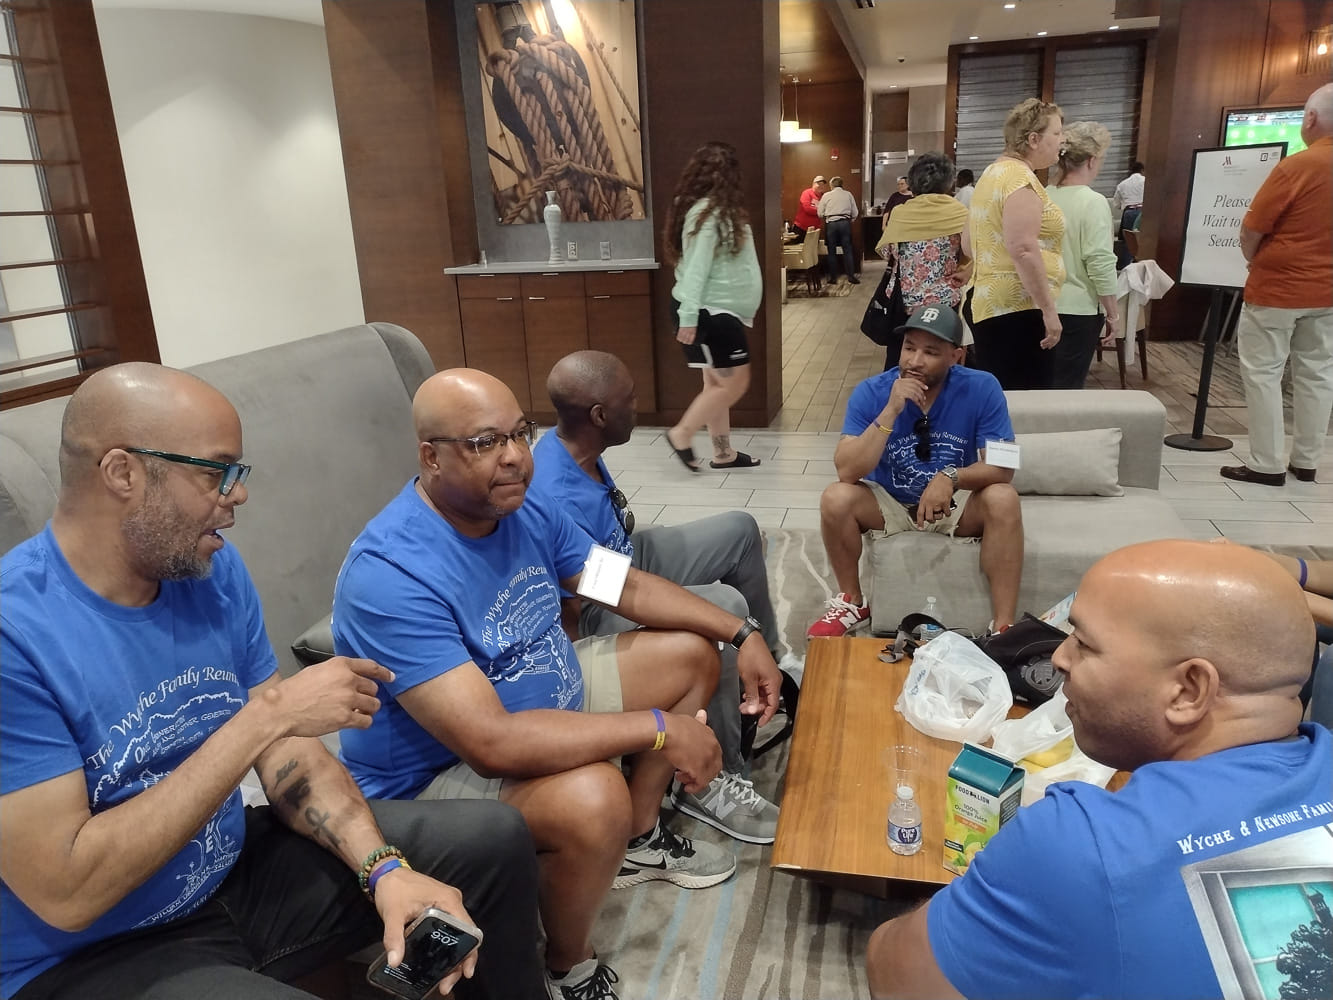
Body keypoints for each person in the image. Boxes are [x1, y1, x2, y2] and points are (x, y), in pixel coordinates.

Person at [0, 364, 544, 1000]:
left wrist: (382, 869)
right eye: (215, 473)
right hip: (90, 953)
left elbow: (288, 755)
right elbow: (69, 892)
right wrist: (267, 716)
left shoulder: (209, 571)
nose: (238, 495)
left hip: (228, 874)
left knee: (492, 839)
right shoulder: (17, 635)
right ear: (123, 473)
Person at [332, 368, 783, 1000]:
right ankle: (568, 966)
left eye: (519, 433)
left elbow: (621, 585)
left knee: (691, 655)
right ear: (431, 457)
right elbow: (491, 743)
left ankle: (638, 839)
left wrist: (742, 632)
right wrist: (659, 730)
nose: (515, 456)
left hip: (546, 695)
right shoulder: (390, 573)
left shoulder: (520, 505)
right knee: (596, 797)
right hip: (435, 779)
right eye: (485, 442)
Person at [864, 539, 1332, 1000]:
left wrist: (990, 884)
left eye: (1084, 643)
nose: (1060, 657)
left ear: (1189, 690)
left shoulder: (1080, 842)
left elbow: (896, 974)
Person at [530, 350, 786, 844]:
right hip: (595, 607)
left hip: (619, 563)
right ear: (599, 415)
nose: (638, 404)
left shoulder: (576, 449)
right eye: (629, 399)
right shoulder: (553, 491)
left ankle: (764, 675)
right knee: (724, 607)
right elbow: (584, 602)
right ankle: (714, 776)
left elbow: (616, 565)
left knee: (739, 529)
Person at [806, 305, 1021, 639]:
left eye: (930, 352)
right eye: (909, 348)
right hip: (890, 505)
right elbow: (846, 470)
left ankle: (1004, 627)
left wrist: (951, 477)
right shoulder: (872, 392)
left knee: (1003, 497)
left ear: (956, 356)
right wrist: (891, 411)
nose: (915, 361)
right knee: (836, 497)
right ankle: (852, 602)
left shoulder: (983, 387)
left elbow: (1003, 469)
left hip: (954, 506)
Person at [1221, 82, 1333, 487]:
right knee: (1318, 373)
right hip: (1328, 292)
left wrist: (1254, 259)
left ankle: (1266, 463)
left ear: (1311, 118)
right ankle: (1306, 461)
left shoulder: (1297, 166)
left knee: (1263, 373)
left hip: (1278, 288)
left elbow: (1252, 228)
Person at [661, 141, 763, 472]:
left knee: (716, 386)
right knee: (735, 384)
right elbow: (697, 268)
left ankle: (723, 453)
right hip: (712, 314)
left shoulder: (710, 211)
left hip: (713, 312)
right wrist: (689, 317)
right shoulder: (710, 215)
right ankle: (682, 433)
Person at [964, 98, 1067, 390]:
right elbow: (1023, 248)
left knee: (1003, 395)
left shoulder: (990, 175)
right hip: (1018, 308)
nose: (1062, 139)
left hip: (990, 303)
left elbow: (969, 246)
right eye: (1057, 133)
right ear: (1034, 139)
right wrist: (1048, 310)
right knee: (1027, 400)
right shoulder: (1020, 179)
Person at [872, 152, 972, 370]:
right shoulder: (959, 212)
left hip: (904, 303)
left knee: (901, 359)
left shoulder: (901, 213)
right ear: (948, 181)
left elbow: (888, 251)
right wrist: (966, 271)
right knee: (941, 363)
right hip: (945, 303)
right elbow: (974, 252)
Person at [1048, 121, 1121, 388]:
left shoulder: (1042, 196)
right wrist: (1113, 313)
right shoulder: (1093, 202)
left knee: (1039, 386)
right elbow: (1100, 262)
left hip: (1038, 305)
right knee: (1067, 388)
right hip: (1077, 308)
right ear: (1091, 160)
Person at [818, 175, 861, 285]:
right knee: (847, 250)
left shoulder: (826, 195)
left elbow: (820, 213)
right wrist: (850, 220)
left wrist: (827, 216)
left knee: (831, 251)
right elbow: (855, 212)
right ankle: (851, 277)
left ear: (831, 185)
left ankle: (833, 278)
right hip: (845, 223)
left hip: (831, 224)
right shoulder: (848, 194)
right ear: (842, 185)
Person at [793, 174, 826, 238]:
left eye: (823, 184)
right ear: (813, 184)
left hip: (815, 230)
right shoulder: (806, 193)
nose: (821, 186)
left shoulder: (824, 196)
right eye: (819, 184)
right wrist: (821, 211)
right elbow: (808, 209)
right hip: (801, 228)